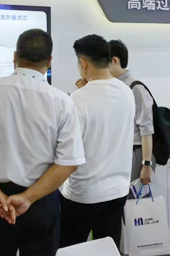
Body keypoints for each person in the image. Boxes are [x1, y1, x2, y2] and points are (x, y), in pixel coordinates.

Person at [0, 29, 85, 256]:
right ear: (49, 61)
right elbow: (69, 162)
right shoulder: (62, 102)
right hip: (41, 200)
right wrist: (28, 198)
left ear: (15, 57)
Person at [59, 35, 135, 248]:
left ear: (83, 63)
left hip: (83, 193)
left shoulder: (78, 99)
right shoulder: (127, 91)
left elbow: (69, 149)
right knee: (108, 248)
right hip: (117, 190)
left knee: (71, 249)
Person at [108, 39, 155, 184]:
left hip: (137, 151)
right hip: (122, 151)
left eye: (104, 64)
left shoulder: (135, 88)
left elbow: (146, 129)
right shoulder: (115, 86)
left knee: (135, 195)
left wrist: (146, 164)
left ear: (114, 61)